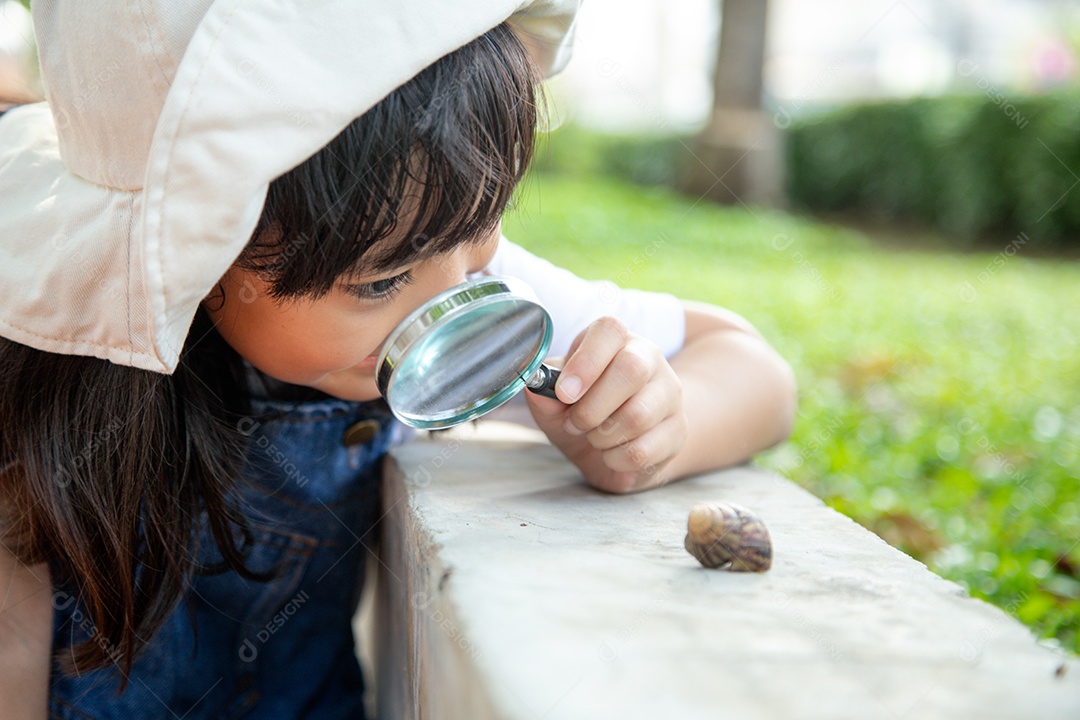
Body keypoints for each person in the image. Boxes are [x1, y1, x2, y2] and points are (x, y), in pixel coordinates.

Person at [0, 2, 795, 718]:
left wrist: (650, 430)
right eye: (380, 282)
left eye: (480, 231)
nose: (452, 311)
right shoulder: (41, 357)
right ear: (191, 257)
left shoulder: (459, 280)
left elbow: (748, 365)